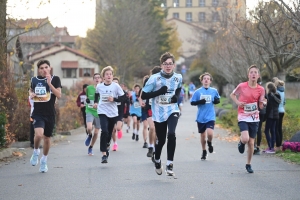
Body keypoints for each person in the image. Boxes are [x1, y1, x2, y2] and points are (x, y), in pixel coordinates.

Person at [141, 52, 182, 176]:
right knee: (161, 140)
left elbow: (179, 88)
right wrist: (158, 92)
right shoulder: (154, 78)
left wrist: (176, 96)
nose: (168, 66)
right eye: (165, 64)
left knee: (172, 133)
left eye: (170, 64)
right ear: (161, 65)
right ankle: (157, 159)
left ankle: (169, 164)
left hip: (172, 110)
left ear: (174, 65)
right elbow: (144, 95)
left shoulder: (178, 77)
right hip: (158, 113)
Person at [230, 65, 266, 173]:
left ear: (258, 76)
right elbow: (232, 95)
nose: (253, 74)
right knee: (245, 139)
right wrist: (238, 102)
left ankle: (248, 164)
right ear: (248, 75)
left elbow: (260, 105)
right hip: (243, 115)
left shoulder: (261, 89)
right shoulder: (242, 86)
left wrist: (263, 103)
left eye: (255, 72)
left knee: (251, 143)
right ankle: (241, 142)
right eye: (251, 72)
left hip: (254, 118)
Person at [29, 59, 62, 173]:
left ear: (50, 68)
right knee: (38, 135)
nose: (44, 70)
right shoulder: (34, 80)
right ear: (38, 70)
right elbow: (31, 91)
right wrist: (31, 94)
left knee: (47, 138)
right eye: (41, 68)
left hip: (50, 113)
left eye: (46, 67)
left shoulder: (55, 79)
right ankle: (36, 151)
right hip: (38, 113)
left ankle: (44, 160)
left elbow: (59, 95)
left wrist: (49, 84)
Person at [95, 66, 126, 163]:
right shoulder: (99, 86)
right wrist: (96, 102)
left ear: (112, 76)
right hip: (102, 111)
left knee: (109, 133)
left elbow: (123, 98)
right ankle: (104, 154)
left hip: (113, 113)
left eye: (110, 74)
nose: (109, 76)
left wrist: (114, 99)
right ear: (103, 77)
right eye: (107, 74)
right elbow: (96, 95)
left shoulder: (116, 86)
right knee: (104, 131)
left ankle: (108, 144)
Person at [190, 72, 220, 160]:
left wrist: (216, 101)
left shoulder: (214, 91)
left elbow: (217, 99)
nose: (206, 80)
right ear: (202, 81)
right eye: (204, 79)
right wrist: (199, 102)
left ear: (210, 81)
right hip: (201, 117)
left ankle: (210, 143)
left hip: (210, 116)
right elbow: (192, 102)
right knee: (203, 136)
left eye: (208, 79)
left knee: (210, 133)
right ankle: (204, 151)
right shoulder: (198, 92)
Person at [84, 74, 102, 155]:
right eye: (95, 78)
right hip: (90, 110)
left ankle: (91, 147)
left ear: (101, 79)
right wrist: (87, 100)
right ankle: (89, 135)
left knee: (96, 132)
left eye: (98, 78)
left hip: (99, 112)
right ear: (93, 79)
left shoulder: (103, 88)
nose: (97, 79)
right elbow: (87, 97)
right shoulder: (89, 88)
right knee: (89, 128)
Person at [264, 82, 281, 153]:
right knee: (273, 130)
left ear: (268, 88)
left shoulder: (268, 96)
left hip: (270, 116)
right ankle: (272, 148)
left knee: (266, 131)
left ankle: (270, 147)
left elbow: (268, 108)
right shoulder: (278, 95)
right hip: (276, 115)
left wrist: (265, 117)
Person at [253, 78, 266, 155]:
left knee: (254, 129)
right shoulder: (263, 90)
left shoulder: (255, 90)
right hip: (262, 112)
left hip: (256, 111)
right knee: (259, 129)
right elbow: (266, 101)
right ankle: (257, 147)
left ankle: (254, 146)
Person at [111, 77, 125, 151]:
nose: (115, 84)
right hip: (112, 112)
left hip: (119, 113)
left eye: (116, 82)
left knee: (118, 128)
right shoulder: (110, 92)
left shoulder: (121, 93)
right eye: (114, 82)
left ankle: (120, 129)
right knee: (113, 130)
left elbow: (125, 101)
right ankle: (115, 144)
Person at [272, 77, 285, 150]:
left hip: (277, 111)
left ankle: (277, 146)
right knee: (279, 128)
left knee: (276, 128)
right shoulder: (283, 91)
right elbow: (284, 102)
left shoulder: (276, 92)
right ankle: (280, 145)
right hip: (282, 111)